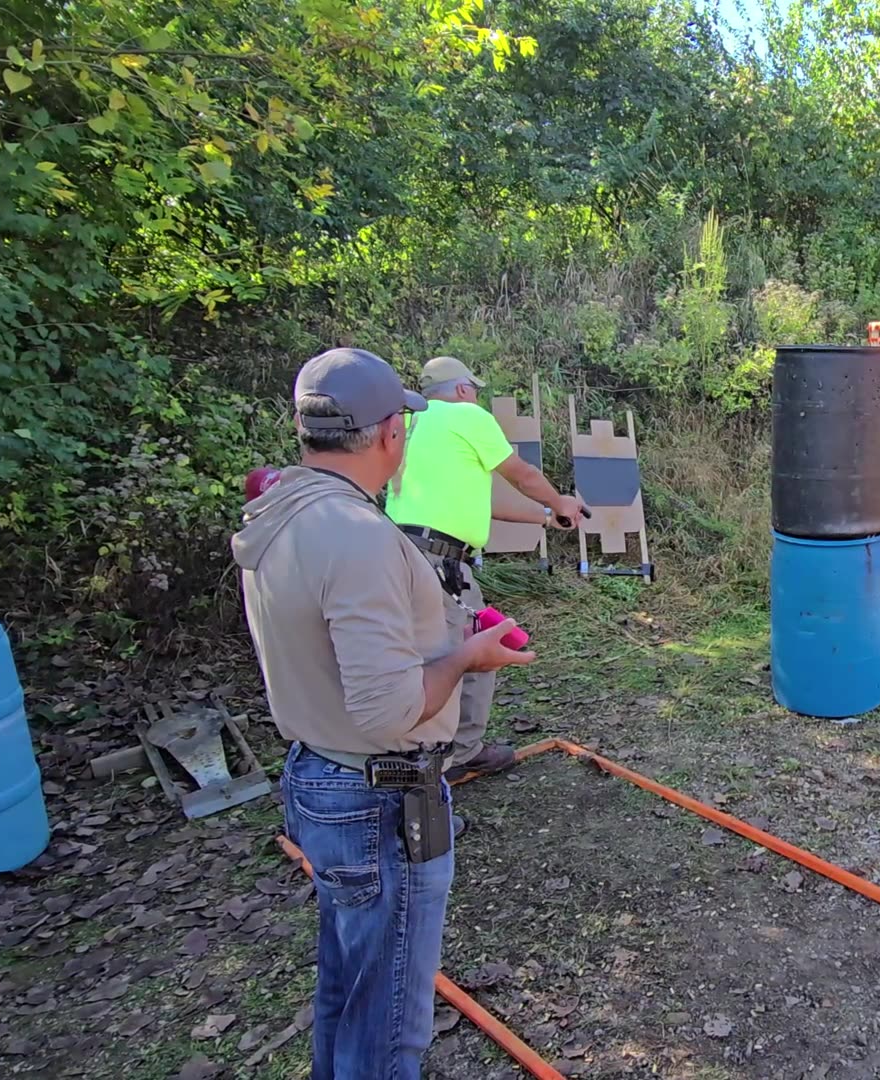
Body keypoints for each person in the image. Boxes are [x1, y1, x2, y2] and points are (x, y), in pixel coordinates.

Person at [232, 347, 536, 1080]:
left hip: (321, 775)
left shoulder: (281, 505)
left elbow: (342, 646)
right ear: (389, 435)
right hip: (380, 795)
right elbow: (391, 708)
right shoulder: (360, 538)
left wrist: (445, 636)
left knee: (351, 986)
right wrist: (467, 660)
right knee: (393, 1018)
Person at [386, 355, 585, 779]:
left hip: (396, 550)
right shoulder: (466, 416)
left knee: (415, 654)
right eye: (473, 388)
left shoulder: (410, 424)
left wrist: (546, 518)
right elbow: (522, 474)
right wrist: (560, 501)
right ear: (461, 390)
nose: (475, 395)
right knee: (477, 648)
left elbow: (484, 500)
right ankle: (458, 752)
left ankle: (416, 748)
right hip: (440, 561)